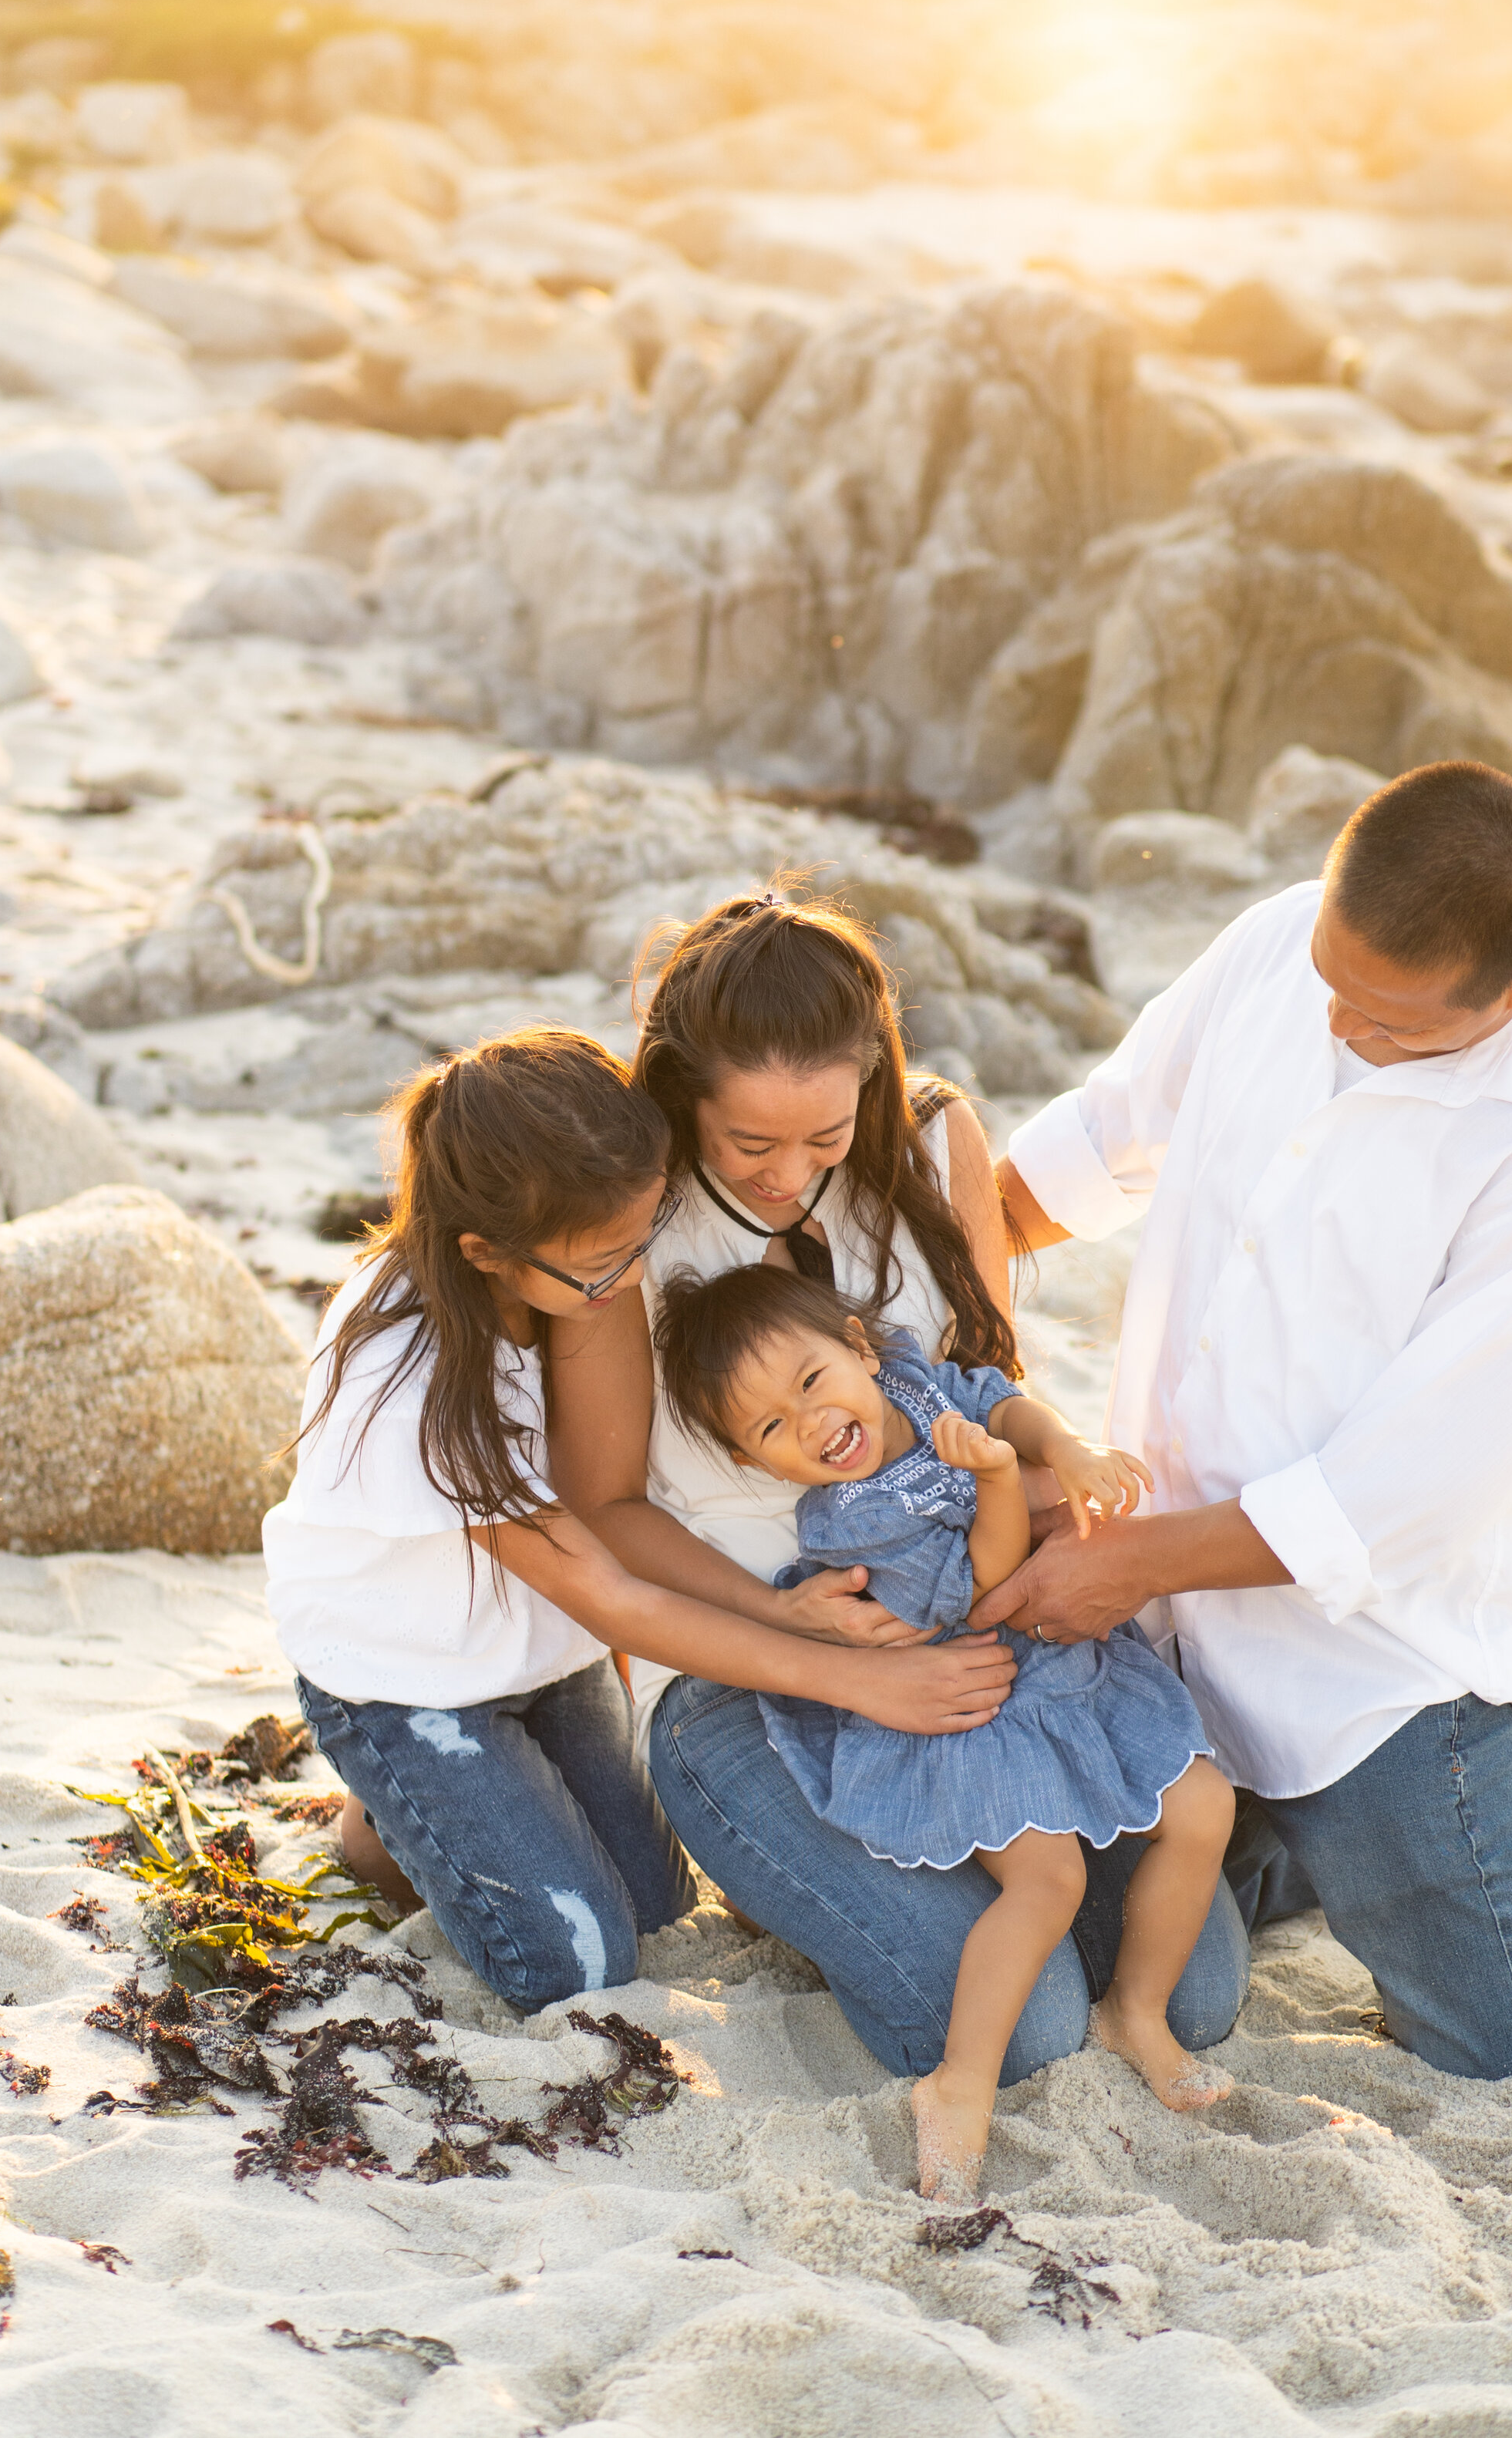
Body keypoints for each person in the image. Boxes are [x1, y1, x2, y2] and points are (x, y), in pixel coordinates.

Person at [977, 763, 1512, 2082]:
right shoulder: (1280, 947)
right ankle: (1301, 1844)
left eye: (1393, 1025)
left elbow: (1386, 1499)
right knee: (1145, 1975)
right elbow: (1089, 1151)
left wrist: (1117, 1569)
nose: (1343, 1031)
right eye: (1332, 989)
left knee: (1501, 2038)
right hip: (1171, 1626)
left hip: (1375, 1664)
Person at [547, 888, 1251, 2085]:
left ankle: (879, 1882)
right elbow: (604, 1512)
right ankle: (802, 1867)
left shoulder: (932, 1143)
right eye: (749, 1143)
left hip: (982, 1639)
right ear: (680, 1094)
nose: (789, 1175)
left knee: (1195, 1992)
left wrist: (1051, 1496)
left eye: (824, 1136)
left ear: (871, 1072)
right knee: (1023, 2036)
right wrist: (806, 1634)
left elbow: (984, 1391)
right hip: (751, 1672)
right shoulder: (631, 1217)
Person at [264, 1025, 1015, 2014]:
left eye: (644, 1239)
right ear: (484, 1252)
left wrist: (782, 1611)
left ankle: (459, 1807)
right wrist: (859, 1677)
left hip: (543, 1655)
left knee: (659, 1910)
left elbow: (603, 1560)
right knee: (575, 1968)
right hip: (411, 1680)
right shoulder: (402, 1377)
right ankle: (388, 1818)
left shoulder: (575, 1276)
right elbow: (612, 1595)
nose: (627, 1287)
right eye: (598, 1270)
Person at [653, 1263, 1233, 2197]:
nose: (811, 1424)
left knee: (1203, 1806)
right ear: (755, 1464)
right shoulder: (852, 1520)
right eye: (770, 1428)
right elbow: (978, 1580)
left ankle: (1139, 2011)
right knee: (1049, 1879)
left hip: (1063, 1669)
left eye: (811, 1381)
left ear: (858, 1346)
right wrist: (1001, 1480)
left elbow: (1003, 1404)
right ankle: (958, 2087)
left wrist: (1065, 1451)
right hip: (972, 1703)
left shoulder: (917, 1384)